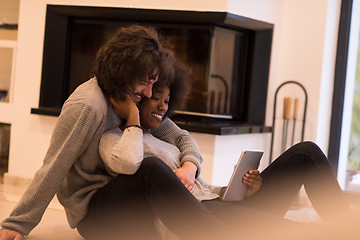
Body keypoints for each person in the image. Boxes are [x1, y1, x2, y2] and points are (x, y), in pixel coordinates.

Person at [98, 62, 357, 240]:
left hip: (218, 203)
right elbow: (129, 164)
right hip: (199, 219)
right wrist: (132, 116)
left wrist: (234, 189)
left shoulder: (163, 137)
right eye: (157, 99)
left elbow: (199, 183)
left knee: (306, 152)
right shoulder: (113, 139)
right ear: (138, 97)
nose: (163, 107)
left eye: (167, 101)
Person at [0, 24, 207, 240]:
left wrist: (190, 167)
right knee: (151, 168)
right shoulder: (87, 106)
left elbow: (181, 137)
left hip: (133, 201)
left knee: (223, 208)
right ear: (124, 72)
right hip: (95, 212)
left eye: (153, 83)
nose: (148, 92)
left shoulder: (135, 96)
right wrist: (18, 223)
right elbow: (54, 166)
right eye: (144, 82)